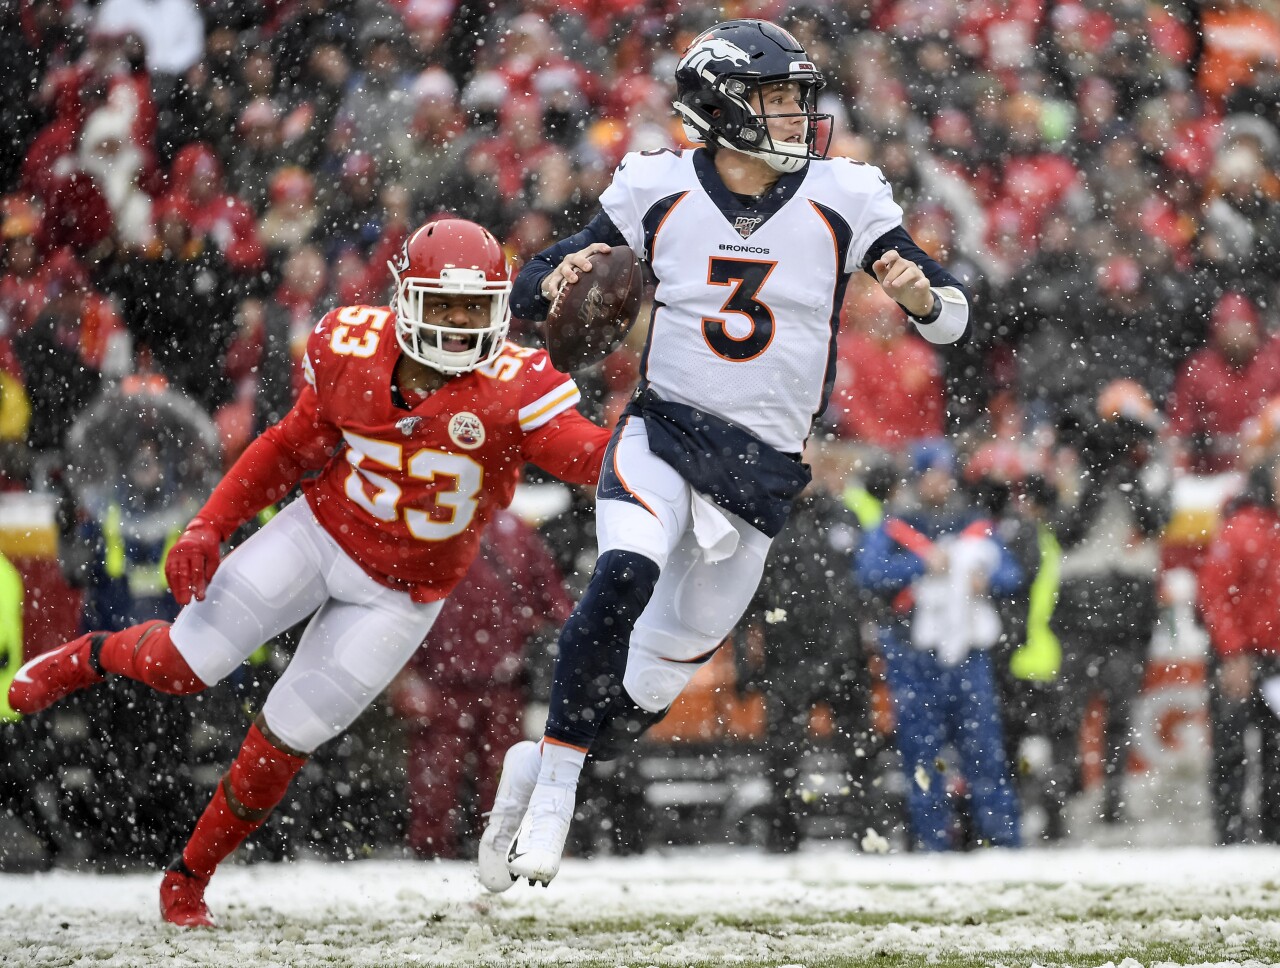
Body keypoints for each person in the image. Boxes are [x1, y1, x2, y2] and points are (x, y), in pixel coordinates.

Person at [480, 19, 970, 890]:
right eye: (780, 101)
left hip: (763, 475)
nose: (797, 119)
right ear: (724, 104)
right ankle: (553, 793)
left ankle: (543, 763)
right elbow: (532, 287)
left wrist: (922, 296)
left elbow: (958, 315)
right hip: (664, 431)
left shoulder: (846, 194)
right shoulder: (655, 184)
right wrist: (549, 278)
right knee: (623, 571)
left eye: (798, 102)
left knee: (645, 695)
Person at [8, 218, 611, 926]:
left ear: (499, 308)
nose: (455, 324)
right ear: (402, 298)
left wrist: (660, 444)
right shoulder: (350, 347)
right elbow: (290, 446)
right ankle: (89, 656)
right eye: (441, 305)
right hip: (320, 535)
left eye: (472, 308)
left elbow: (591, 458)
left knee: (284, 740)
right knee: (184, 664)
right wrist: (210, 522)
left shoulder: (518, 385)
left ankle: (188, 879)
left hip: (401, 595)